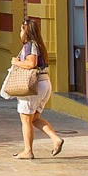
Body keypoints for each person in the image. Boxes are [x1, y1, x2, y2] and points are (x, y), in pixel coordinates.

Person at [10, 18, 63, 159]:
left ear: (27, 31)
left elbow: (31, 63)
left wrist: (16, 62)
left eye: (22, 30)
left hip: (34, 86)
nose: (20, 32)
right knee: (34, 119)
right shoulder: (39, 45)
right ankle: (55, 139)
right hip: (45, 83)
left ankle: (28, 151)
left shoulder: (30, 45)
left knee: (26, 120)